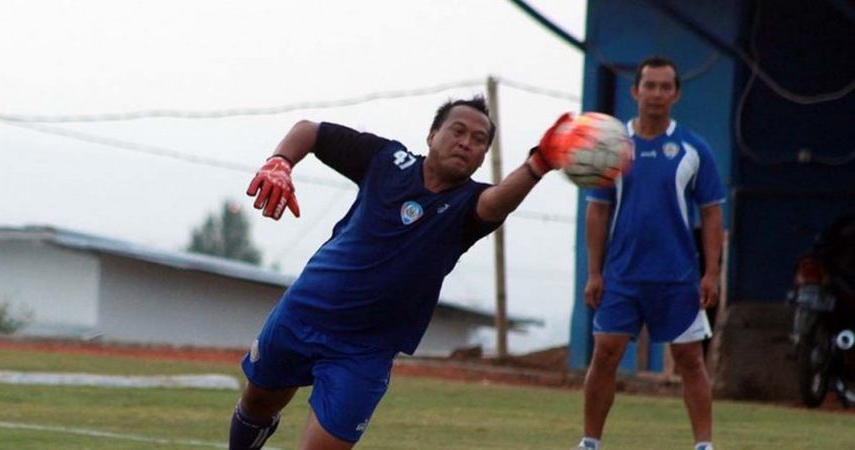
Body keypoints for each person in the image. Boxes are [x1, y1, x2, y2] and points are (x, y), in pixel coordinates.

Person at [229, 96, 571, 450]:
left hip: (364, 350)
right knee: (257, 404)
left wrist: (538, 164)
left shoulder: (468, 205)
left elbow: (498, 201)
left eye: (479, 140)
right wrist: (280, 161)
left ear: (484, 155)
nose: (467, 142)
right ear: (432, 135)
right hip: (303, 313)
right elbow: (309, 131)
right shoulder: (387, 161)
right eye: (458, 131)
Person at [575, 56, 725, 450]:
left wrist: (712, 273)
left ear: (675, 94)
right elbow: (598, 210)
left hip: (677, 277)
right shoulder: (612, 148)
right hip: (622, 276)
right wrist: (594, 272)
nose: (656, 94)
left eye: (664, 87)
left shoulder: (694, 149)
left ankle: (704, 445)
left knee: (690, 359)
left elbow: (711, 213)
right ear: (634, 91)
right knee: (605, 354)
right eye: (649, 86)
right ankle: (590, 441)